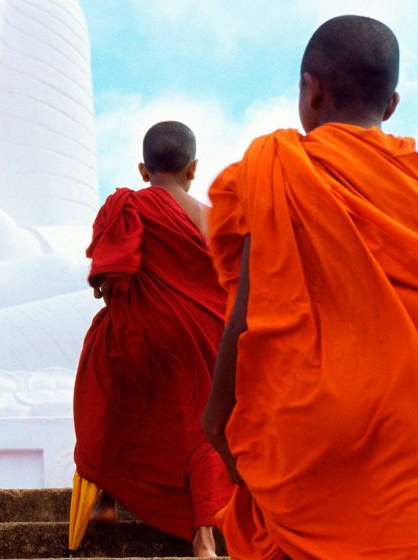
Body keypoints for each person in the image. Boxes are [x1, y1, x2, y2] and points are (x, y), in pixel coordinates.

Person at [203, 15, 418, 559]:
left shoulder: (278, 172)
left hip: (309, 445)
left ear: (310, 90)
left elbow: (248, 313)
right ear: (391, 105)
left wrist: (218, 419)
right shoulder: (410, 179)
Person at [73, 122, 234, 557]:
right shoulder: (213, 219)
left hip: (142, 333)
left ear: (144, 170)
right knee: (200, 422)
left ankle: (105, 501)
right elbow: (232, 284)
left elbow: (108, 279)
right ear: (194, 169)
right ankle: (203, 538)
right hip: (205, 334)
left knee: (107, 382)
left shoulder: (127, 204)